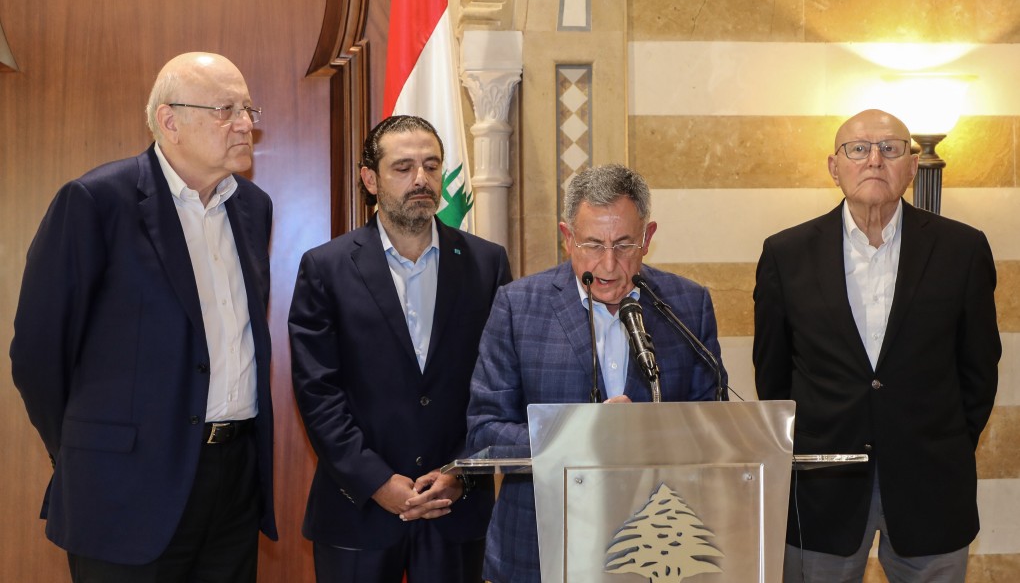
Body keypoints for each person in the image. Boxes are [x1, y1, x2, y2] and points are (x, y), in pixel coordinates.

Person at [10, 52, 277, 581]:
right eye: (226, 109)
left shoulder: (253, 206)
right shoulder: (95, 202)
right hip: (123, 489)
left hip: (233, 482)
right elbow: (38, 354)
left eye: (248, 109)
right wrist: (87, 452)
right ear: (169, 121)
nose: (246, 125)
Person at [753, 109, 1000, 583]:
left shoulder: (962, 249)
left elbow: (979, 369)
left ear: (911, 166)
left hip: (932, 481)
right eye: (858, 149)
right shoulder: (786, 253)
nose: (874, 160)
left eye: (890, 149)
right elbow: (773, 373)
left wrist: (941, 442)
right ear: (834, 166)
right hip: (821, 486)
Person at [466, 163, 726, 583]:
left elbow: (712, 425)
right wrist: (581, 434)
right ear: (567, 237)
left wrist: (646, 434)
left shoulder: (686, 306)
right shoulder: (517, 307)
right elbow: (484, 433)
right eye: (592, 244)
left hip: (658, 547)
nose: (608, 264)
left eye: (624, 244)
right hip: (538, 549)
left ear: (648, 238)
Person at [288, 115, 512, 583]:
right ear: (370, 179)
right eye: (403, 167)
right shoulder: (325, 268)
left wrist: (460, 474)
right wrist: (377, 482)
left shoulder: (486, 264)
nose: (421, 180)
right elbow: (318, 393)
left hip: (456, 509)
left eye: (432, 166)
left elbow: (498, 385)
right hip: (357, 511)